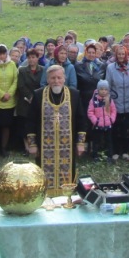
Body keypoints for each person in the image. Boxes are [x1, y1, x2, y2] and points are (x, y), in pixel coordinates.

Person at [27, 64, 86, 193]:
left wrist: (80, 143)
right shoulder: (38, 94)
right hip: (44, 145)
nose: (56, 81)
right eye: (53, 78)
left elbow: (81, 119)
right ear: (47, 79)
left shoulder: (74, 94)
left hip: (68, 145)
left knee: (68, 174)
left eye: (59, 78)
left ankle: (66, 195)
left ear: (64, 78)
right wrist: (32, 144)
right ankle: (44, 195)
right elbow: (31, 120)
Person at [105, 43, 129, 160]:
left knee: (127, 128)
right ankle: (116, 151)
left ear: (126, 54)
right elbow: (108, 85)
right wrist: (109, 101)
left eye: (123, 54)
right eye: (119, 54)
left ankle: (125, 150)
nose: (121, 56)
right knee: (115, 128)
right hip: (116, 102)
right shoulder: (110, 68)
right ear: (116, 55)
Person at [14, 48, 45, 154]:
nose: (31, 59)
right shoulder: (22, 70)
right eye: (29, 57)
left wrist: (36, 97)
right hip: (25, 101)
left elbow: (43, 84)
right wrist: (30, 97)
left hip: (39, 100)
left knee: (36, 123)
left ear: (37, 58)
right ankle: (26, 147)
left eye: (33, 57)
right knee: (24, 125)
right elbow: (21, 86)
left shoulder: (43, 70)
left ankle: (36, 145)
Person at [87, 79, 117, 160]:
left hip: (108, 124)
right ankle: (95, 156)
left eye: (106, 89)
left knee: (109, 141)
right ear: (98, 89)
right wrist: (96, 121)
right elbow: (90, 112)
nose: (104, 91)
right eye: (102, 89)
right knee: (96, 141)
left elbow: (113, 110)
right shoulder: (93, 100)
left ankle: (109, 156)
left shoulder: (109, 100)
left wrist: (111, 120)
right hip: (97, 125)